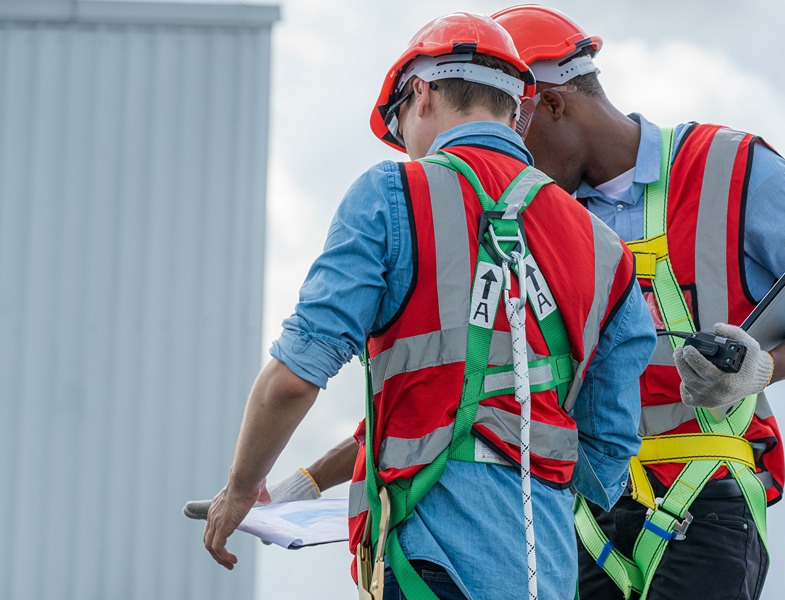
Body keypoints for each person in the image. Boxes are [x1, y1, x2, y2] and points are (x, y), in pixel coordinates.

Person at [199, 12, 656, 600]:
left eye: (398, 127)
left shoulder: (392, 194)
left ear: (420, 93)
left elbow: (293, 379)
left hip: (428, 559)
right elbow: (607, 451)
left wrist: (242, 487)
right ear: (516, 108)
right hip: (546, 568)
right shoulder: (605, 248)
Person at [488, 5, 785, 600]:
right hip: (585, 515)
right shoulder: (536, 221)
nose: (510, 163)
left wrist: (766, 365)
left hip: (709, 499)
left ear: (554, 104)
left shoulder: (729, 168)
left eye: (513, 136)